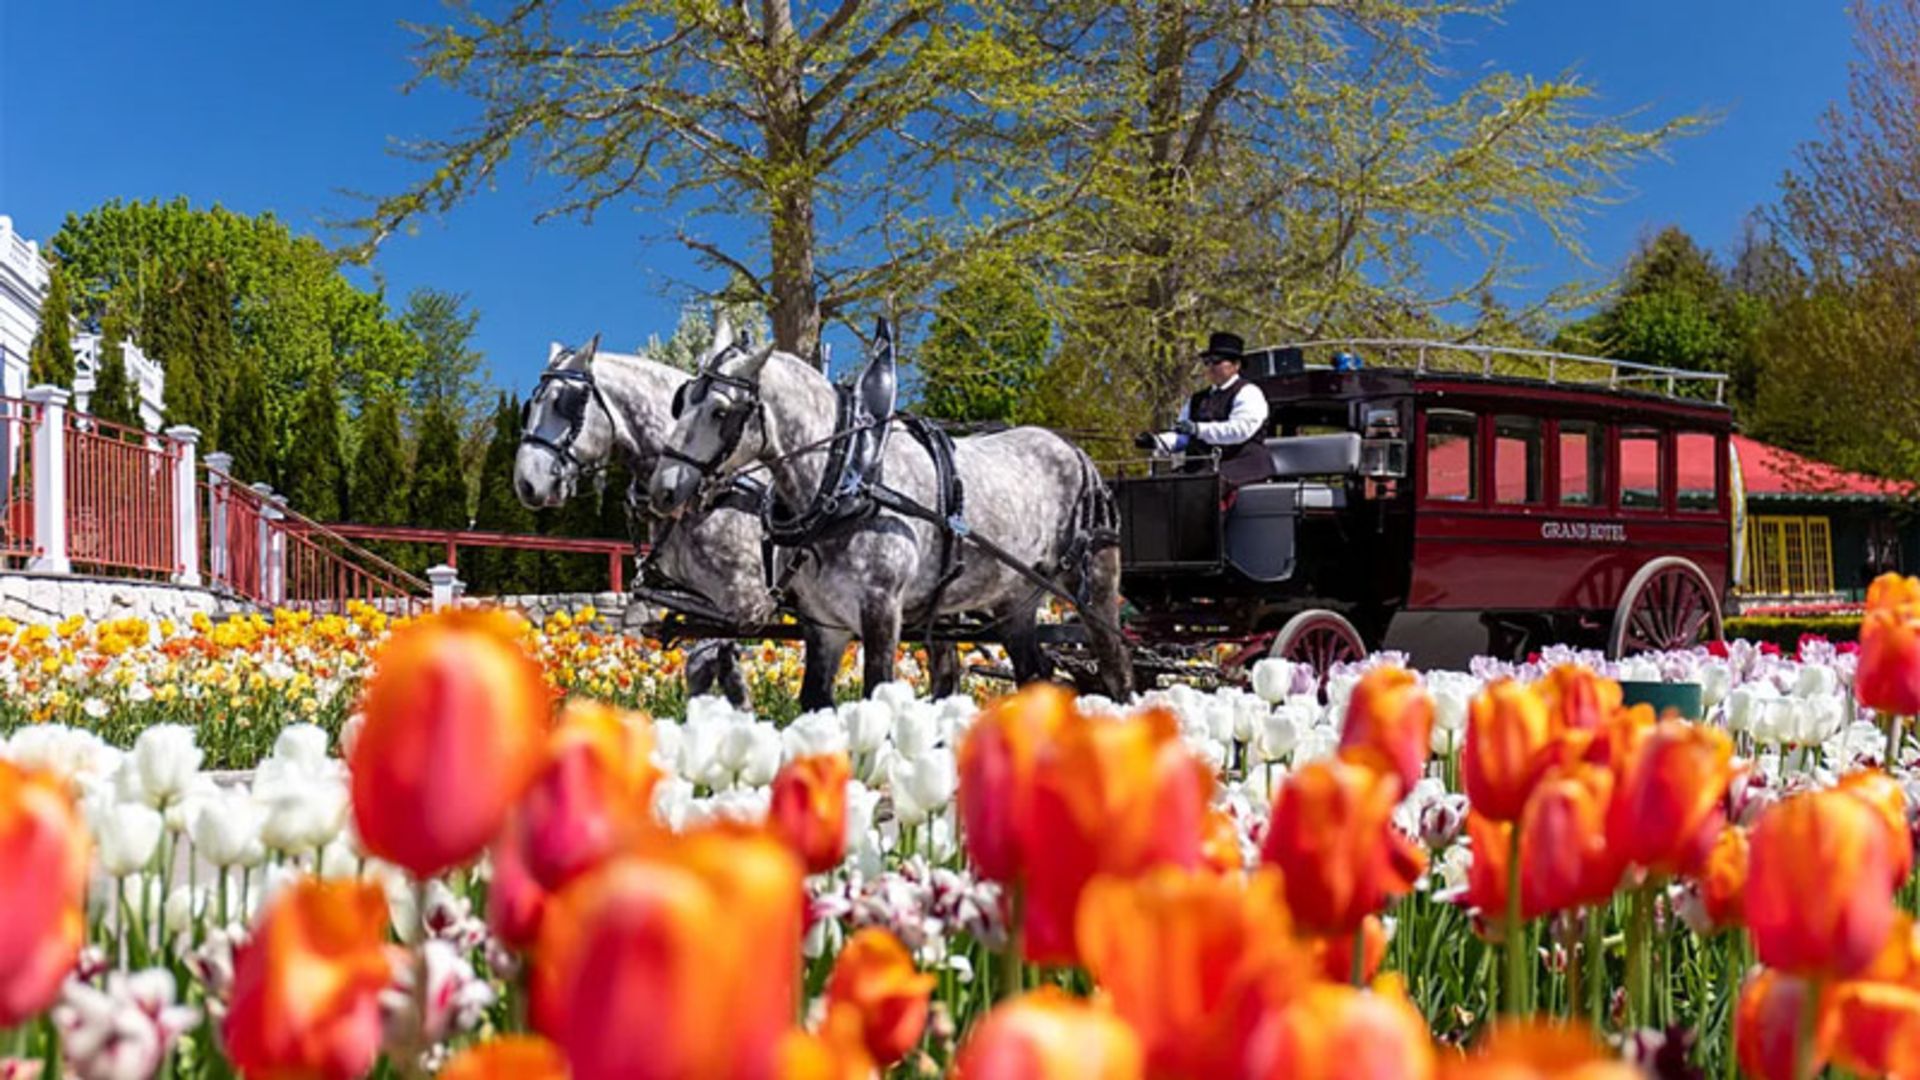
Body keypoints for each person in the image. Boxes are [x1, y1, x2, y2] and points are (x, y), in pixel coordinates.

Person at [1133, 331, 1277, 487]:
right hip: (1204, 470)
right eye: (1207, 362)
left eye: (1216, 361)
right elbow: (1182, 436)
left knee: (1199, 489)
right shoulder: (1197, 399)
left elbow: (1239, 431)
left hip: (1243, 468)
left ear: (1236, 365)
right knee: (1163, 487)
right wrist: (1156, 441)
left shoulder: (1248, 392)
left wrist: (1198, 429)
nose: (1210, 367)